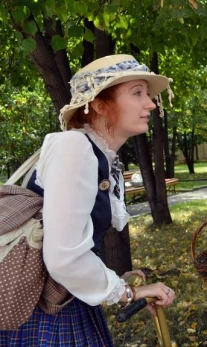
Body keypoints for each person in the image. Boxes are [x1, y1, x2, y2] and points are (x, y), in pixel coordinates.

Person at [0, 54, 176, 346]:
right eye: (137, 93)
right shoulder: (75, 147)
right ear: (99, 105)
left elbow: (69, 239)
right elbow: (63, 259)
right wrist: (127, 293)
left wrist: (115, 279)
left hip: (65, 300)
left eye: (147, 94)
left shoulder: (100, 155)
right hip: (48, 312)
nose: (150, 104)